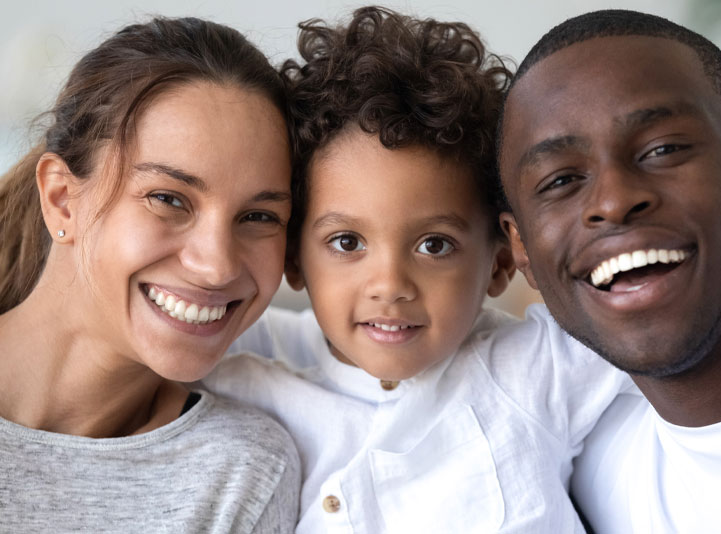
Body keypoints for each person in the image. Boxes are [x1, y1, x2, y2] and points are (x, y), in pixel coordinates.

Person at [202, 6, 628, 533]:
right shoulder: (246, 363)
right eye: (347, 241)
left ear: (500, 263)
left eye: (434, 245)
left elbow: (697, 302)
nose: (390, 286)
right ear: (293, 258)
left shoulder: (532, 370)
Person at [498, 9, 721, 533]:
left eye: (663, 149)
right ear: (520, 249)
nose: (613, 201)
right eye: (560, 181)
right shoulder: (556, 457)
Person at [0, 17, 300, 532]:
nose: (217, 266)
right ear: (62, 200)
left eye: (259, 217)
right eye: (168, 198)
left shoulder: (240, 473)